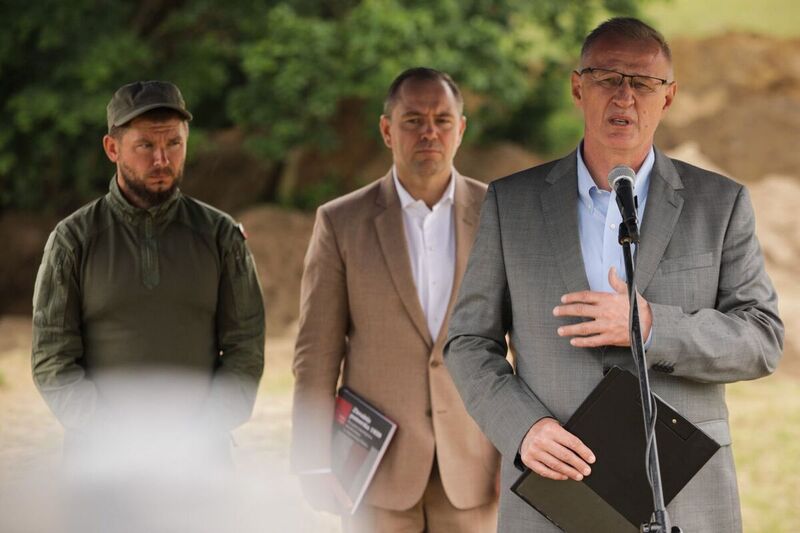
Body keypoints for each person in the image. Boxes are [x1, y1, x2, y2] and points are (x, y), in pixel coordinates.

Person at [444, 17, 783, 532]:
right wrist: (523, 429)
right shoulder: (510, 203)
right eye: (607, 78)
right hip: (554, 496)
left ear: (667, 98)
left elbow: (762, 338)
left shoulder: (722, 203)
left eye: (643, 83)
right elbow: (469, 341)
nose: (624, 97)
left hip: (685, 497)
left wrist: (651, 327)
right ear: (578, 87)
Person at [291, 68, 499, 532]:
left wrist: (523, 450)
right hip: (372, 476)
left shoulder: (499, 216)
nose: (429, 132)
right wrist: (310, 460)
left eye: (443, 120)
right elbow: (316, 355)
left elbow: (526, 345)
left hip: (475, 470)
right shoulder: (340, 222)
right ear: (387, 130)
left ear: (461, 129)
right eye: (413, 120)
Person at [31, 80, 265, 457]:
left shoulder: (222, 236)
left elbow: (245, 348)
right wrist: (112, 434)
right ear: (112, 148)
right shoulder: (72, 240)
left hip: (199, 460)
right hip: (101, 461)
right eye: (146, 145)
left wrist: (202, 429)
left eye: (173, 143)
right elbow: (52, 359)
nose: (162, 159)